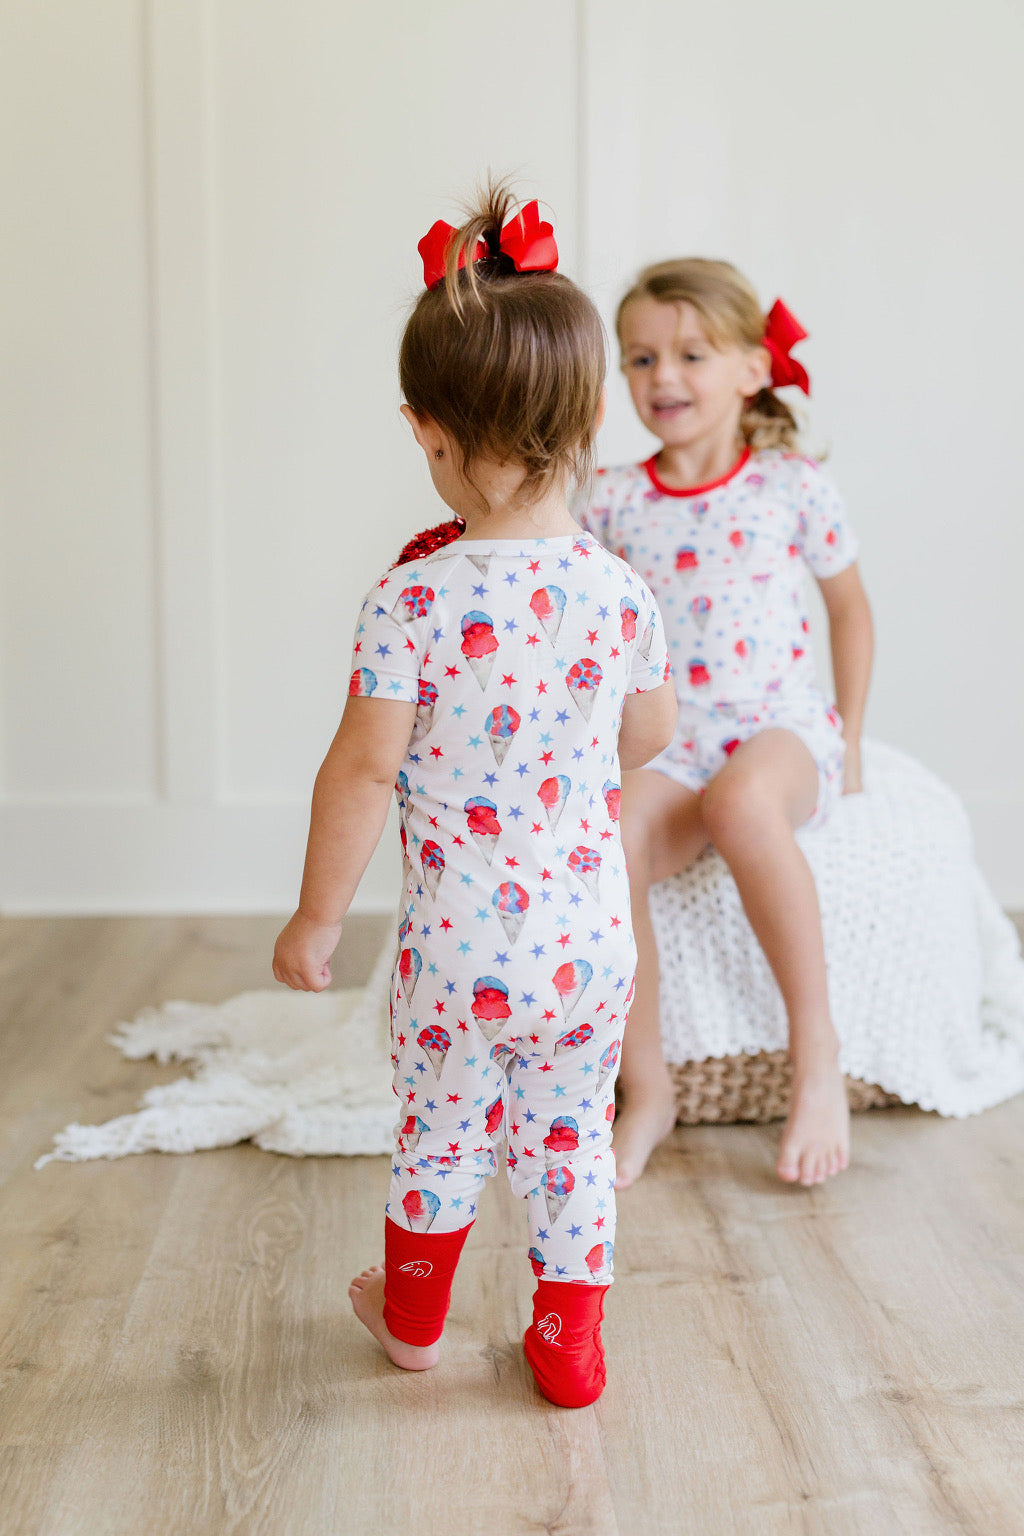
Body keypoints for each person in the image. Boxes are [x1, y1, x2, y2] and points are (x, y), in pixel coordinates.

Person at [273, 185, 676, 1408]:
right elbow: (648, 738)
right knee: (566, 1141)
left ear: (427, 432)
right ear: (595, 415)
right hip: (587, 949)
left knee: (440, 1131)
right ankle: (566, 1341)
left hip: (456, 951)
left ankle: (410, 1321)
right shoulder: (618, 591)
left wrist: (316, 919)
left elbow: (361, 767)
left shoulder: (414, 599)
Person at [578, 259, 873, 1190]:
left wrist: (852, 735)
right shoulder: (615, 501)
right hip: (675, 734)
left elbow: (851, 612)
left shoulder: (790, 485)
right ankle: (648, 1087)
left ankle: (813, 1052)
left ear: (750, 368)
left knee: (747, 802)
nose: (662, 377)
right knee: (606, 832)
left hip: (779, 724)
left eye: (691, 355)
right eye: (639, 359)